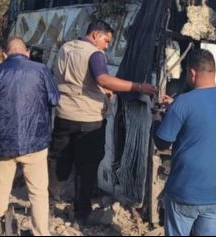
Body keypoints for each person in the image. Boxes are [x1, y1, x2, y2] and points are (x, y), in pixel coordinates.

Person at [49, 20, 156, 227]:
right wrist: (139, 86)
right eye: (106, 40)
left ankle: (49, 204)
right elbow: (103, 79)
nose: (106, 45)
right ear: (96, 34)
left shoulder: (66, 47)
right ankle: (81, 214)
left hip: (63, 114)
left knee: (59, 160)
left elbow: (76, 80)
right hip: (88, 120)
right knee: (86, 167)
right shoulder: (94, 54)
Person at [152, 49, 216, 236]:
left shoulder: (183, 103)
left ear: (192, 72)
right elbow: (205, 123)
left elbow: (163, 143)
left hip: (187, 189)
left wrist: (158, 116)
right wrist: (175, 108)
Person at [0, 38, 59, 236]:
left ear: (4, 54)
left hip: (2, 143)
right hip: (35, 141)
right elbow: (54, 99)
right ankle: (41, 232)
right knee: (38, 193)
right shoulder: (41, 70)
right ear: (26, 53)